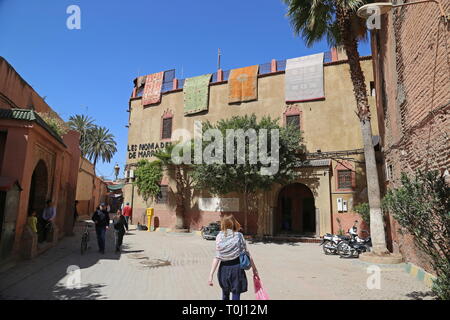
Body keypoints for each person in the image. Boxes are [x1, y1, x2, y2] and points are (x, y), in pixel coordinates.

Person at [208, 213, 258, 300]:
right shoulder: (239, 236)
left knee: (225, 294)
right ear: (234, 223)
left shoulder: (219, 236)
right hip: (237, 269)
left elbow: (217, 257)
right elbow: (247, 253)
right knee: (236, 294)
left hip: (223, 269)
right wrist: (254, 269)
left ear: (223, 224)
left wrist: (211, 275)